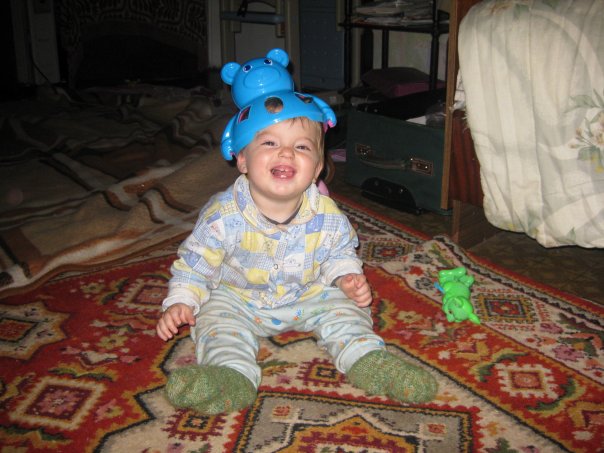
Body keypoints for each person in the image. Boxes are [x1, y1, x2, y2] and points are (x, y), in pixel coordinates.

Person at [156, 48, 438, 415]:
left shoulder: (326, 213)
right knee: (214, 319)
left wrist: (346, 277)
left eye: (302, 146)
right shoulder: (221, 217)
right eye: (269, 143)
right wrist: (181, 301)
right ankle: (230, 376)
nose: (287, 153)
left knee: (346, 309)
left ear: (318, 167)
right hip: (239, 299)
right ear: (242, 159)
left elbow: (339, 252)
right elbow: (194, 265)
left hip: (310, 294)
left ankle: (367, 359)